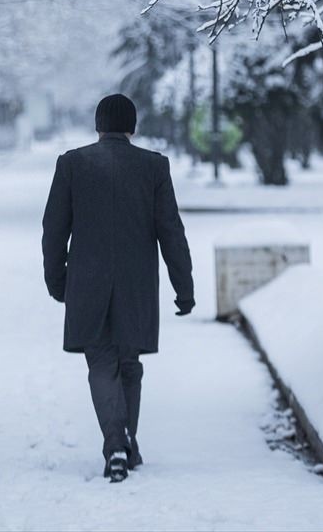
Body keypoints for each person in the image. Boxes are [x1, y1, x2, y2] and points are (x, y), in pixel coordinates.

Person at [42, 93, 194, 482]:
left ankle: (117, 446)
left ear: (98, 126)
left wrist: (58, 281)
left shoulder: (72, 164)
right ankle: (126, 442)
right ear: (132, 126)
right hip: (137, 285)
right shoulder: (153, 167)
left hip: (87, 284)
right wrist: (184, 286)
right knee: (129, 365)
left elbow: (54, 231)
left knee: (101, 364)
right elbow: (171, 231)